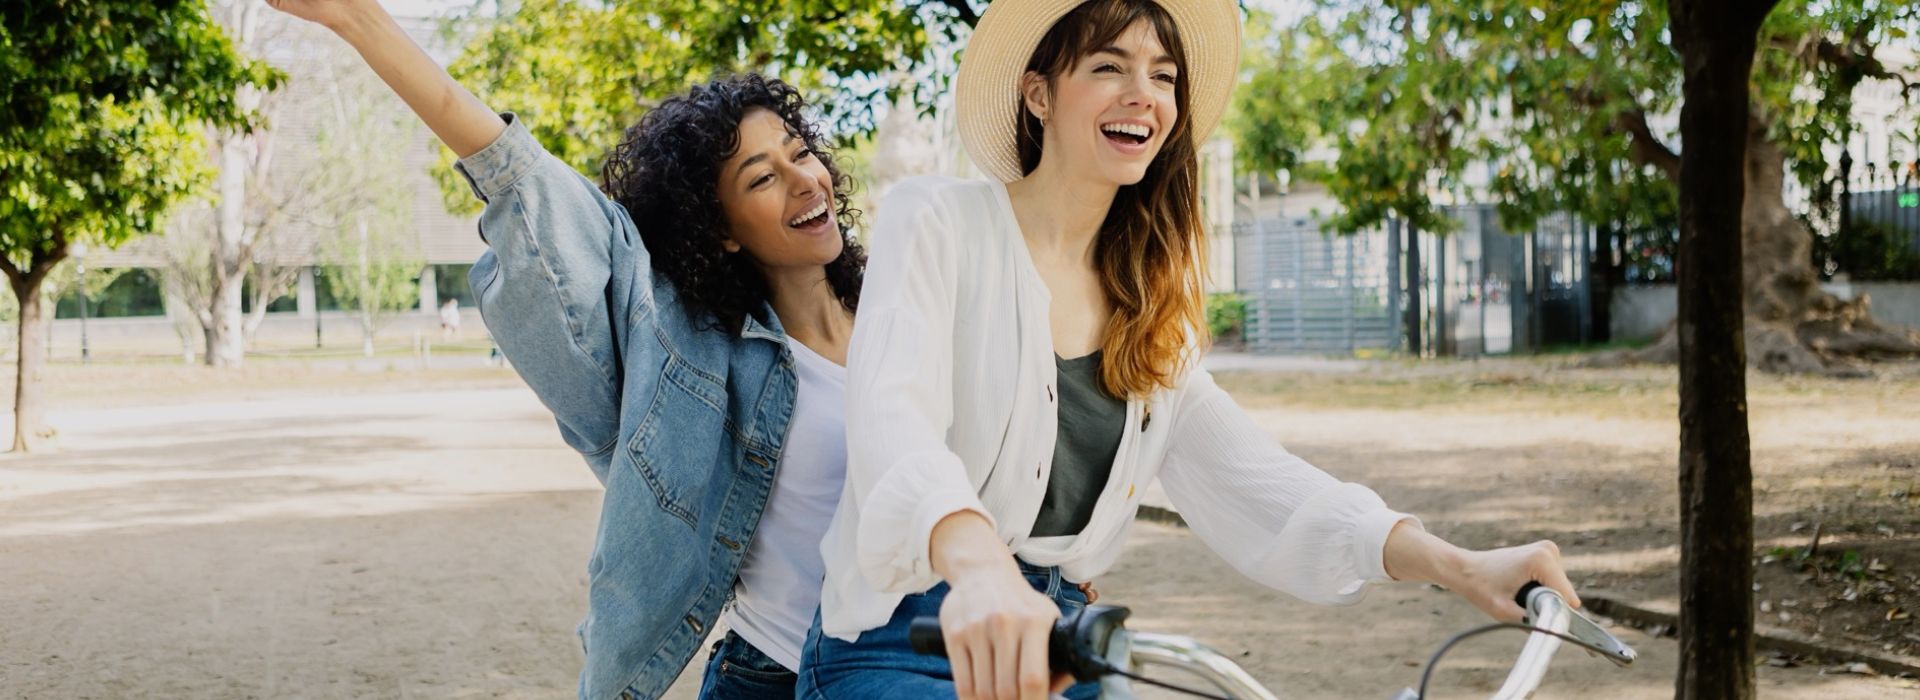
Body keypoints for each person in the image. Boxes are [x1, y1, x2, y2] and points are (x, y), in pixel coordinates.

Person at [797, 1, 1585, 699]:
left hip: (1064, 647)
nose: (1144, 93)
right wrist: (980, 571)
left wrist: (1461, 564)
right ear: (1038, 92)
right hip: (905, 637)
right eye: (1109, 66)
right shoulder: (938, 221)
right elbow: (893, 423)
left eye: (1164, 74)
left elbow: (1258, 481)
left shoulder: (1150, 303)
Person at [266, 2, 865, 698]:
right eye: (762, 178)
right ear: (722, 231)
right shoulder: (697, 357)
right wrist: (362, 23)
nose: (805, 180)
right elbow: (534, 192)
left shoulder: (907, 312)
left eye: (802, 153)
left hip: (916, 665)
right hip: (774, 676)